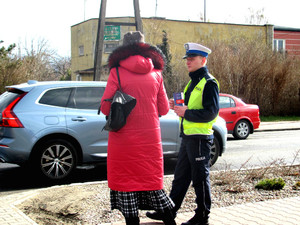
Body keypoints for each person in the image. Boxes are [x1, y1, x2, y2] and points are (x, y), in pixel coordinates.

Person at [100, 31, 176, 225]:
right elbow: (164, 109)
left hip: (123, 142)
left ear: (123, 49)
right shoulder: (156, 73)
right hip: (150, 141)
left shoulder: (116, 72)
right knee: (152, 184)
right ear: (145, 48)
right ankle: (169, 219)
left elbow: (106, 107)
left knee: (127, 186)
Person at [146, 43, 219, 225]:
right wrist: (176, 105)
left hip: (201, 138)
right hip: (188, 137)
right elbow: (189, 106)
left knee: (200, 179)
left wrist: (185, 112)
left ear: (203, 60)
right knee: (180, 177)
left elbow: (212, 113)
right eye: (187, 59)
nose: (188, 62)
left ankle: (202, 217)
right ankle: (169, 211)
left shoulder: (209, 83)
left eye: (192, 59)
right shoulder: (193, 82)